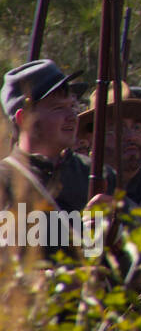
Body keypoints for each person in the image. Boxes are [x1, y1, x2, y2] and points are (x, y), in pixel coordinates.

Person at [0, 60, 110, 259]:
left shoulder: (96, 174)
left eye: (73, 106)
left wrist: (115, 232)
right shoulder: (4, 180)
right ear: (25, 119)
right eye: (59, 108)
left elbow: (139, 265)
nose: (73, 116)